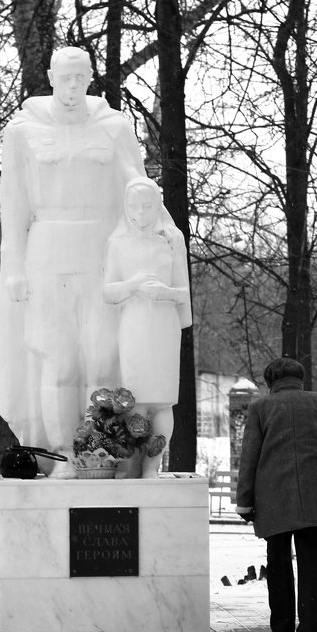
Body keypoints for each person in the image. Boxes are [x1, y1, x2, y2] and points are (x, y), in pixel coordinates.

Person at [0, 46, 148, 474]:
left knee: (101, 359)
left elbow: (139, 193)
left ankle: (98, 454)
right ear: (50, 76)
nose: (72, 86)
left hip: (102, 251)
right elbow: (15, 207)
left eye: (80, 78)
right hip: (47, 251)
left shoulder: (114, 128)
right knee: (58, 361)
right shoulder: (23, 131)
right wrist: (15, 269)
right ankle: (62, 453)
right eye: (65, 77)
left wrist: (155, 247)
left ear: (90, 79)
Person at [235, 357, 317, 632]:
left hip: (273, 498)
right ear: (300, 378)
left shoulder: (260, 408)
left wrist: (245, 502)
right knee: (314, 565)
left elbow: (249, 456)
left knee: (278, 564)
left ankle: (282, 625)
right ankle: (311, 628)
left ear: (270, 382)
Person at [102, 177, 192, 477]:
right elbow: (108, 292)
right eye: (134, 205)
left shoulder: (170, 239)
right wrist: (133, 284)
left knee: (162, 399)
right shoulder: (118, 242)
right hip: (133, 326)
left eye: (147, 205)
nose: (140, 212)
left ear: (158, 205)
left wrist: (163, 292)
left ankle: (153, 467)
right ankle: (133, 465)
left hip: (163, 325)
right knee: (136, 399)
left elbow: (183, 293)